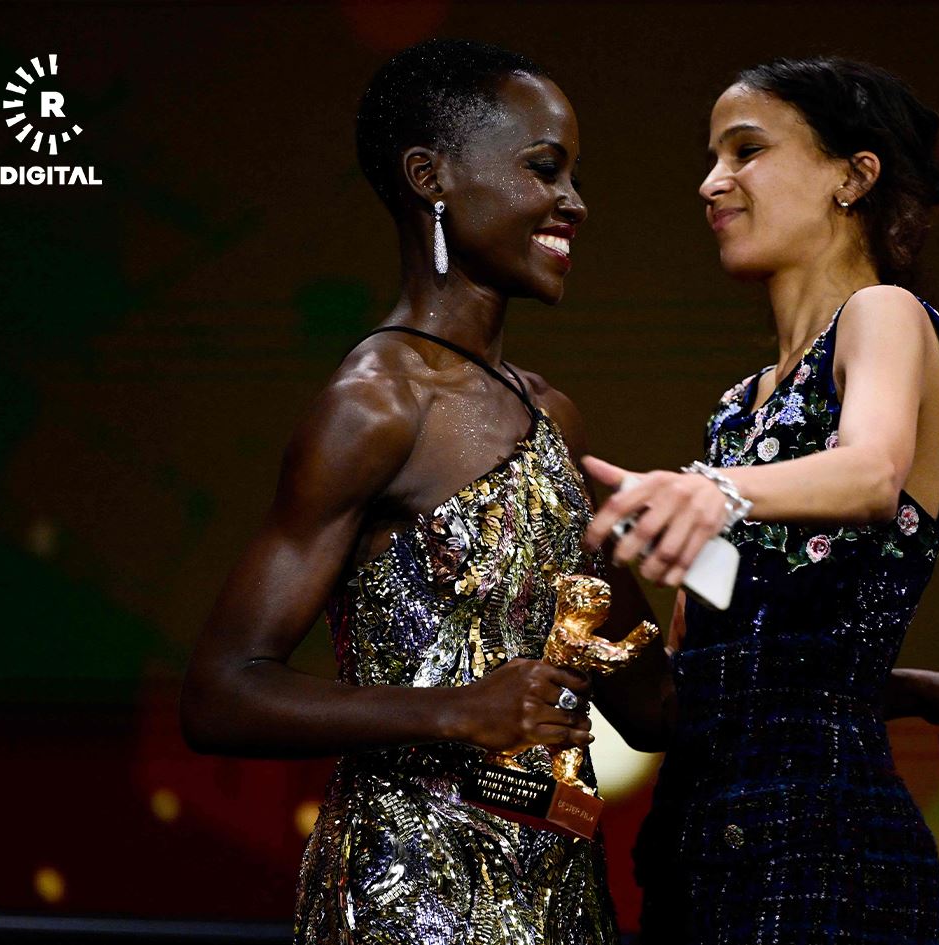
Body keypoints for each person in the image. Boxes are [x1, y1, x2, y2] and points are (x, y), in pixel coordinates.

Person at [178, 39, 664, 945]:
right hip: (408, 901)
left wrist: (891, 682)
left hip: (561, 901)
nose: (574, 201)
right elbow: (220, 694)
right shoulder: (375, 405)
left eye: (574, 176)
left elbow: (651, 705)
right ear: (429, 177)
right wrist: (454, 709)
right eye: (544, 169)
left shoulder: (555, 417)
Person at [581, 57, 939, 944]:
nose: (712, 182)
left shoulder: (883, 315)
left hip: (822, 854)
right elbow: (694, 687)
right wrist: (587, 548)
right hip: (694, 852)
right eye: (713, 158)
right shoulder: (735, 412)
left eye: (746, 150)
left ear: (853, 176)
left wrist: (711, 490)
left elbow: (871, 473)